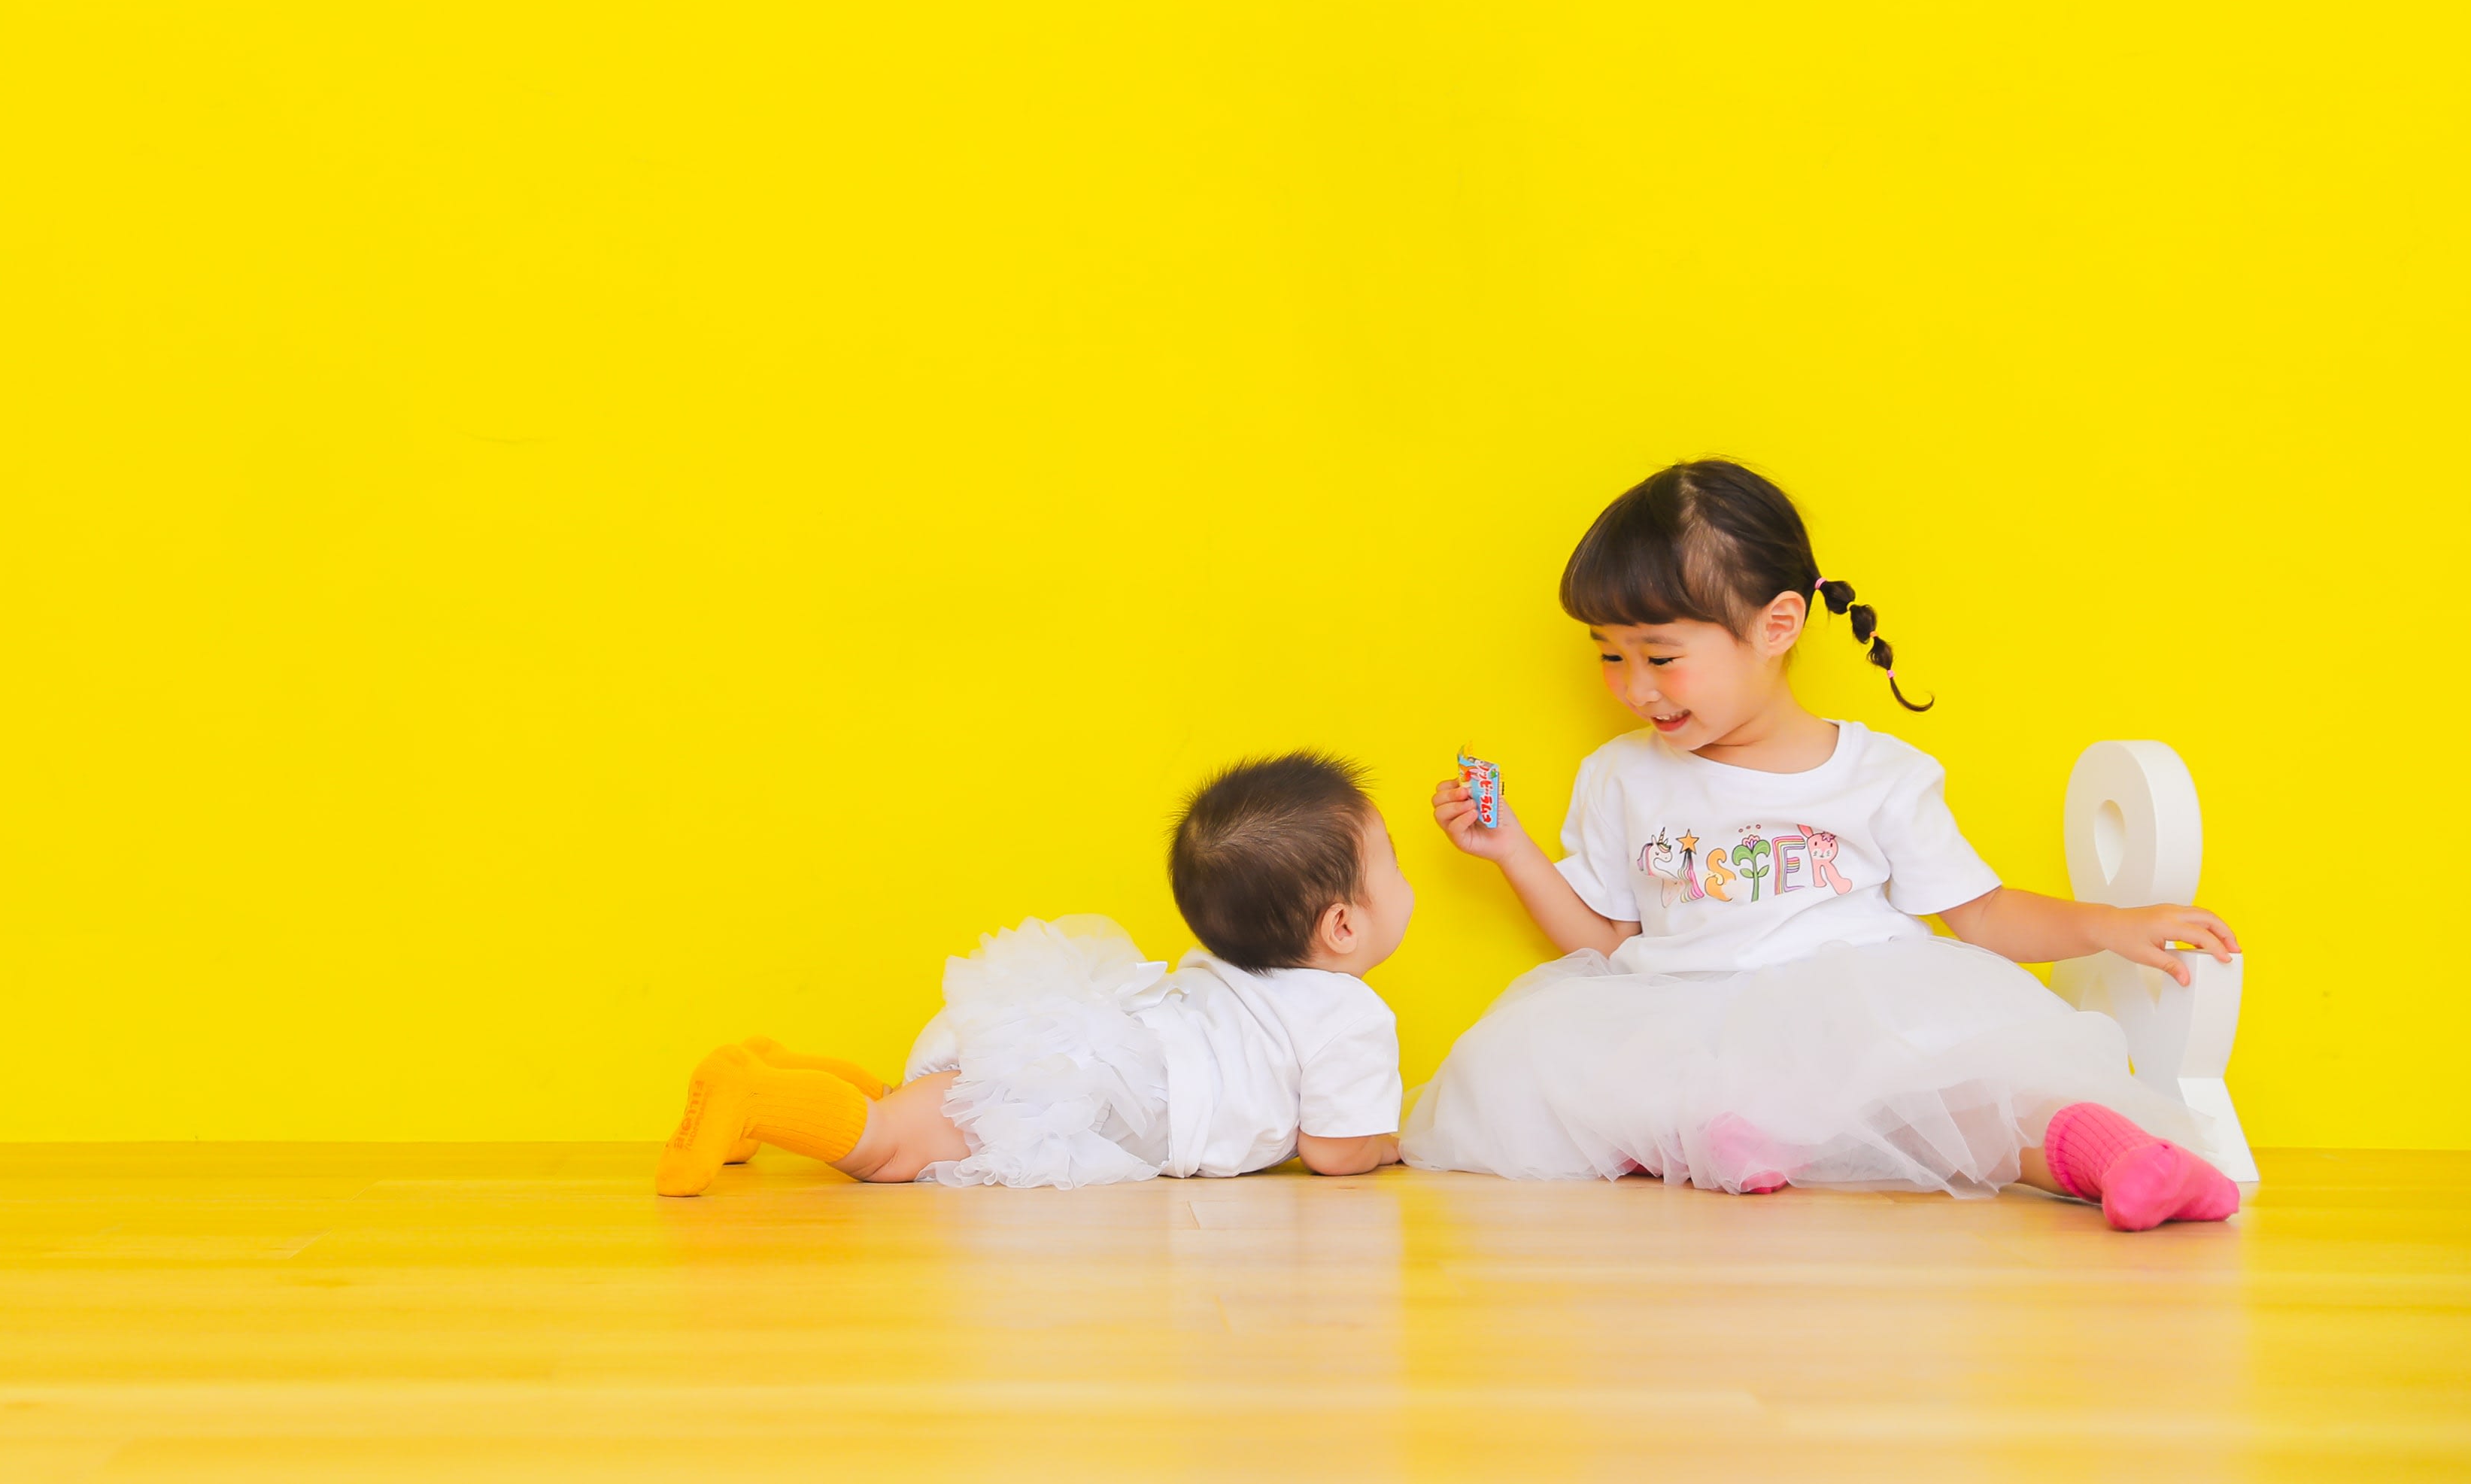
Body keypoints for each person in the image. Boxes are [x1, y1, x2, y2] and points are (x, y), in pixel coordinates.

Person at [1404, 458, 2241, 1229]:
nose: (1636, 688)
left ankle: (2118, 1156)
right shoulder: (1622, 774)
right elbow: (1608, 938)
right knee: (1562, 1071)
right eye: (1611, 657)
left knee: (1975, 1104)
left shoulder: (1878, 772)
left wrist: (2108, 924)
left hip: (1861, 1011)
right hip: (1688, 1012)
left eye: (1660, 655)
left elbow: (1980, 914)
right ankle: (1736, 1144)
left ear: (1776, 626)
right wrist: (1511, 847)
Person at [657, 754, 1411, 1194]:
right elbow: (1335, 1150)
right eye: (1396, 865)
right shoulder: (1352, 1016)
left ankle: (780, 1072)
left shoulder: (1235, 968)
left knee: (916, 1105)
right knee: (892, 1146)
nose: (1408, 881)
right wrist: (1383, 1144)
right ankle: (754, 1098)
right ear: (1343, 925)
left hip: (1089, 1037)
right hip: (1095, 1095)